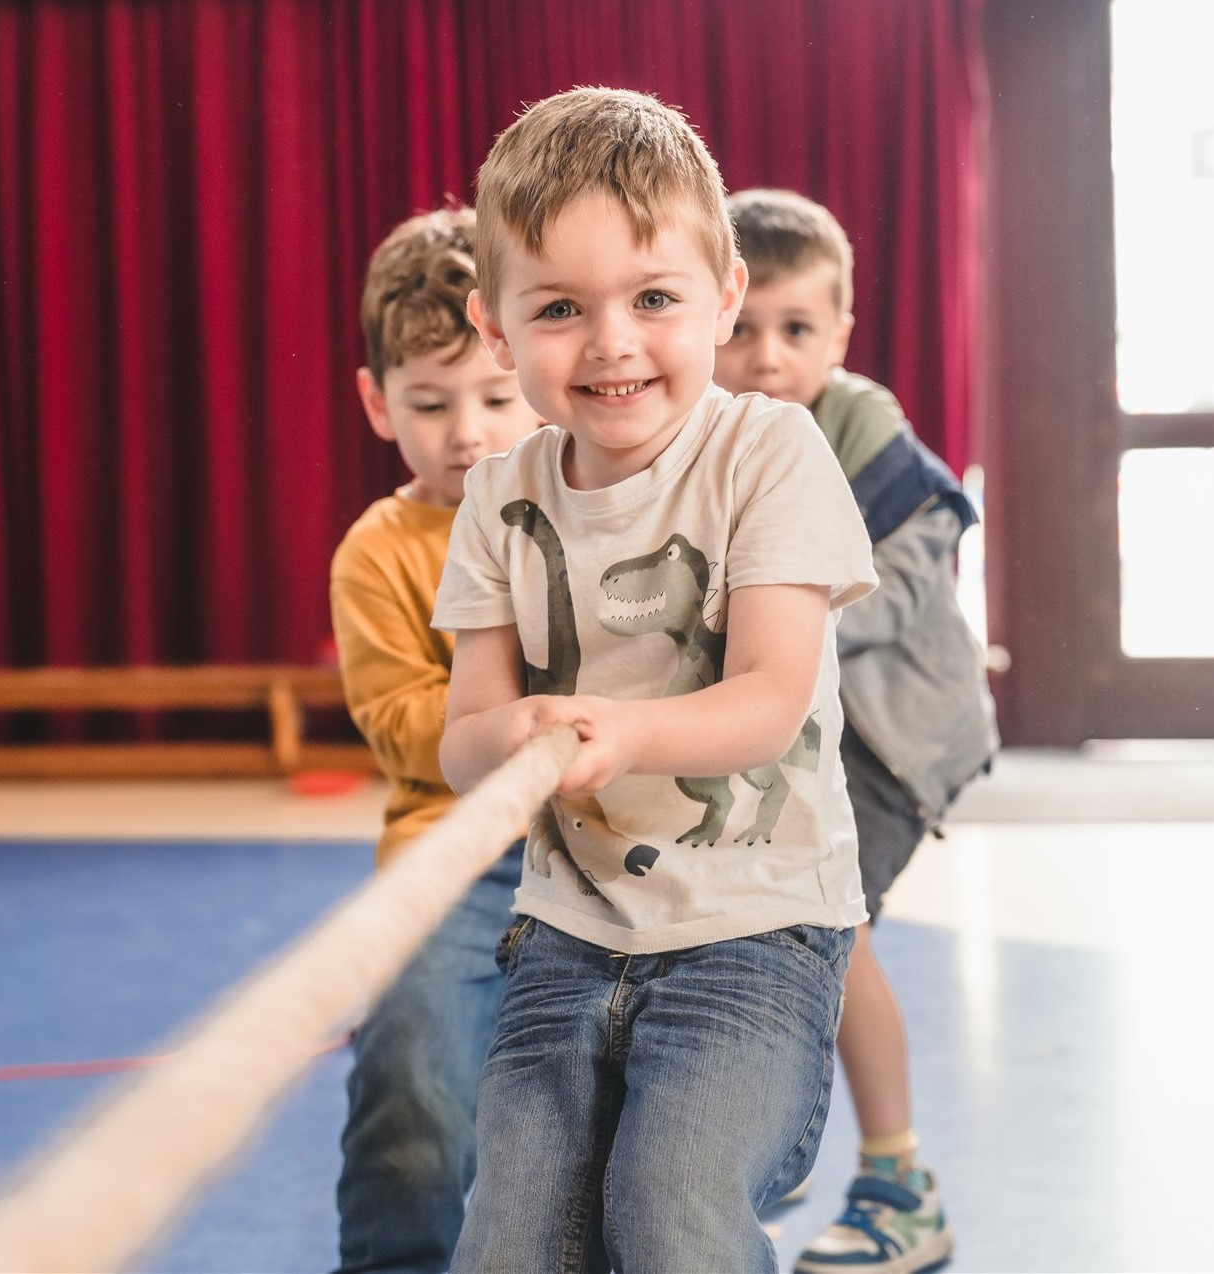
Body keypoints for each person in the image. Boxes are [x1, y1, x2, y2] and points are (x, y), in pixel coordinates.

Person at [432, 88, 879, 1273]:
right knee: (509, 1242)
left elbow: (771, 697)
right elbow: (462, 740)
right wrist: (516, 727)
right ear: (496, 327)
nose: (612, 341)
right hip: (569, 925)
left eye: (654, 299)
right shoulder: (495, 496)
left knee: (672, 1209)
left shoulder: (768, 450)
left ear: (723, 294)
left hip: (760, 924)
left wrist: (620, 732)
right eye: (562, 308)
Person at [715, 187, 998, 1274]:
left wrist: (766, 619)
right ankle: (755, 1152)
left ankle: (897, 1179)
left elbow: (898, 586)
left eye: (797, 331)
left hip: (894, 734)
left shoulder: (862, 429)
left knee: (835, 926)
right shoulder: (711, 429)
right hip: (802, 728)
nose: (767, 356)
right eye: (742, 328)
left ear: (838, 335)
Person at [328, 206, 544, 1274]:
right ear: (377, 403)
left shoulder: (584, 504)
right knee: (410, 1082)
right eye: (429, 402)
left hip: (597, 846)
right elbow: (402, 725)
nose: (468, 431)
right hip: (447, 858)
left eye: (496, 397)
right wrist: (513, 724)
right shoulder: (378, 551)